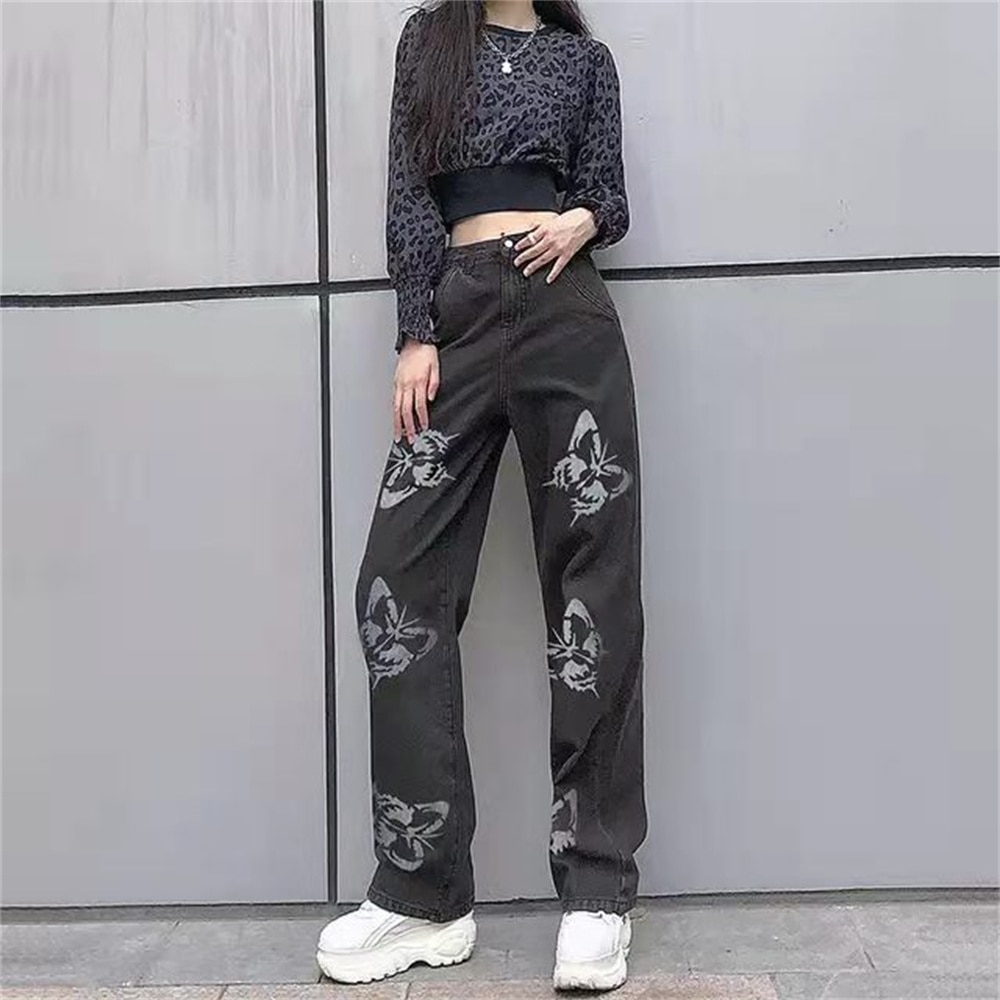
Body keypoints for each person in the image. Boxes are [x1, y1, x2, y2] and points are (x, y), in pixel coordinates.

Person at [316, 0, 647, 991]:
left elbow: (605, 192)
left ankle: (595, 888)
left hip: (565, 314)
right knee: (396, 584)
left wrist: (584, 217)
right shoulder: (430, 39)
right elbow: (408, 192)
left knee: (593, 589)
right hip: (455, 319)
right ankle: (424, 893)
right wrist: (416, 330)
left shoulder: (583, 62)